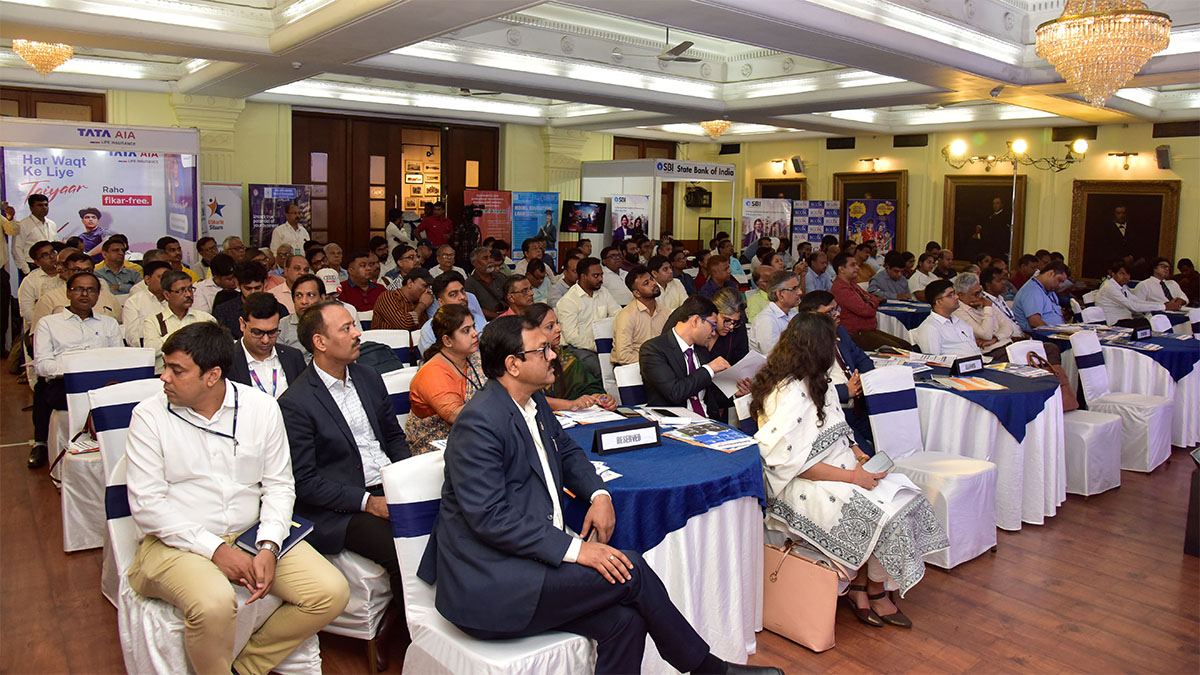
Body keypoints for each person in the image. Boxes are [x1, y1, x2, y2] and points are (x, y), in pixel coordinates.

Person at [416, 315, 774, 675]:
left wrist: (599, 495)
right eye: (542, 350)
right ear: (513, 364)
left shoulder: (532, 402)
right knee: (630, 569)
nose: (553, 355)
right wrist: (577, 550)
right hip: (490, 588)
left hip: (529, 566)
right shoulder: (478, 424)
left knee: (625, 623)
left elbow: (567, 452)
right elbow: (489, 517)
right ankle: (708, 670)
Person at [124, 322, 349, 675]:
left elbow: (279, 485)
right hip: (175, 542)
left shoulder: (261, 409)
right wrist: (215, 550)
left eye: (176, 370)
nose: (164, 378)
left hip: (249, 532)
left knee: (331, 592)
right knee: (214, 604)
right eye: (165, 367)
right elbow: (147, 506)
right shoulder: (149, 416)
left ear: (212, 375)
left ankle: (246, 667)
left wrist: (269, 545)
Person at [750, 311, 947, 629]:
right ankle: (873, 591)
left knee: (906, 498)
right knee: (883, 513)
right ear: (817, 348)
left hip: (842, 465)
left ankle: (866, 587)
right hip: (803, 482)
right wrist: (855, 477)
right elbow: (792, 464)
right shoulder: (786, 394)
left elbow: (840, 429)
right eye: (832, 342)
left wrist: (858, 454)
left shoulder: (818, 380)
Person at [276, 302, 409, 668]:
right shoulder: (296, 402)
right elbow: (306, 483)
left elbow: (393, 438)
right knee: (401, 545)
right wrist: (368, 502)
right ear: (319, 341)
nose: (357, 334)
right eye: (347, 328)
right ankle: (414, 638)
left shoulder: (367, 376)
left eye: (355, 325)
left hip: (387, 482)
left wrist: (408, 479)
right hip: (343, 505)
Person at [28, 271, 122, 468]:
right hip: (64, 383)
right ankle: (42, 444)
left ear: (98, 295)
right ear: (68, 293)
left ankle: (117, 456)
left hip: (102, 383)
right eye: (79, 289)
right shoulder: (49, 323)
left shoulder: (109, 323)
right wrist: (78, 368)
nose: (85, 294)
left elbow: (118, 359)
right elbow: (43, 365)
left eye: (91, 290)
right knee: (46, 392)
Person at [798, 291, 875, 454]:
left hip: (859, 407)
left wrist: (861, 380)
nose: (837, 313)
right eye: (830, 311)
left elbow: (864, 361)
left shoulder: (841, 333)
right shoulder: (804, 347)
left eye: (837, 308)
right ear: (812, 317)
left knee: (888, 440)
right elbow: (806, 391)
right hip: (831, 413)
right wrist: (846, 390)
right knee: (867, 456)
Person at [407, 304, 486, 455]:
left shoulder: (475, 358)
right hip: (436, 447)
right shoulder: (433, 373)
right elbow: (456, 416)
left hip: (475, 433)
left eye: (473, 327)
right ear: (447, 341)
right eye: (466, 331)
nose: (475, 333)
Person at [639, 296, 731, 418]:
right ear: (695, 321)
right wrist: (709, 369)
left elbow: (709, 395)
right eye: (712, 326)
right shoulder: (653, 349)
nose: (713, 332)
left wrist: (734, 393)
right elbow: (675, 392)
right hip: (674, 424)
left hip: (708, 421)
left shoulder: (701, 350)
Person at [524, 303, 617, 411]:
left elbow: (588, 389)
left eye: (557, 323)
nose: (558, 329)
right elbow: (529, 400)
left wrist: (598, 398)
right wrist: (569, 404)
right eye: (550, 326)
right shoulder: (523, 363)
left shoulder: (566, 361)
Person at [226, 292, 307, 398]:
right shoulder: (227, 361)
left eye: (272, 332)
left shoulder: (293, 357)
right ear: (242, 324)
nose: (265, 340)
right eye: (257, 333)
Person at [555, 256, 621, 380]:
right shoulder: (569, 300)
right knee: (602, 371)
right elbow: (572, 337)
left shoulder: (603, 292)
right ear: (583, 276)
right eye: (596, 276)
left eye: (601, 275)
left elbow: (618, 315)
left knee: (623, 365)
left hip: (604, 345)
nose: (601, 279)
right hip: (577, 348)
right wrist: (598, 347)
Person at [831, 253, 910, 352]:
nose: (857, 268)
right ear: (841, 269)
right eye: (853, 265)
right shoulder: (841, 289)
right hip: (855, 334)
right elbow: (866, 311)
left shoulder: (852, 284)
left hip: (868, 330)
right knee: (898, 350)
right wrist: (870, 303)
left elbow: (873, 298)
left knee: (906, 346)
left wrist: (870, 302)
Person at [142, 270, 217, 371]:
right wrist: (183, 337)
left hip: (200, 375)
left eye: (190, 289)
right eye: (181, 290)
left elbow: (216, 349)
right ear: (167, 295)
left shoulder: (206, 319)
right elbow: (151, 350)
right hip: (164, 376)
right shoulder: (153, 321)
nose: (188, 295)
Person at [32, 251, 122, 329]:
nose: (82, 274)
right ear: (66, 272)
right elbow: (36, 336)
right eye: (77, 270)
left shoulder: (109, 298)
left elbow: (121, 327)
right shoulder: (48, 300)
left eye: (87, 270)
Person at [1096, 259, 1183, 324]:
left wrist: (1164, 305)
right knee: (1151, 324)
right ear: (1113, 274)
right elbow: (1133, 306)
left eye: (1128, 274)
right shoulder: (1109, 287)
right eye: (1122, 274)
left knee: (1155, 321)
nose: (1126, 277)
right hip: (1114, 323)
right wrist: (1165, 307)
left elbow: (1138, 301)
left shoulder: (1123, 287)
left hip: (1126, 320)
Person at [611, 265, 666, 366]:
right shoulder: (627, 316)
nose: (653, 283)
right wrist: (654, 359)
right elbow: (623, 356)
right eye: (646, 283)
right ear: (637, 293)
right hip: (631, 367)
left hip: (658, 365)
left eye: (651, 279)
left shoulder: (664, 312)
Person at [911, 279, 981, 356]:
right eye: (950, 295)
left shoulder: (959, 321)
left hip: (980, 362)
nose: (957, 297)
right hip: (956, 366)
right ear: (939, 302)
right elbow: (935, 362)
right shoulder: (930, 328)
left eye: (955, 293)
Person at [952, 272, 1014, 358]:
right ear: (961, 296)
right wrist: (988, 308)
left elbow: (1009, 326)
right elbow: (986, 335)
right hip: (992, 353)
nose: (981, 296)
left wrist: (996, 338)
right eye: (976, 294)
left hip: (1009, 347)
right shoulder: (958, 312)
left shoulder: (983, 301)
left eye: (981, 291)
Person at [749, 271, 801, 355]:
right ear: (780, 294)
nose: (800, 292)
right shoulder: (766, 320)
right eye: (794, 289)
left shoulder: (793, 313)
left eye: (798, 287)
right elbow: (774, 358)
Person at [124, 261, 172, 347]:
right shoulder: (134, 302)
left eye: (168, 277)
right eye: (161, 277)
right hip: (148, 354)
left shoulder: (177, 299)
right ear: (147, 280)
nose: (166, 281)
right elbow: (133, 339)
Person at [1012, 261, 1069, 332]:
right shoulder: (1032, 291)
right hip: (1040, 338)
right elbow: (1035, 322)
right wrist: (1055, 334)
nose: (1060, 285)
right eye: (1059, 280)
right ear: (1051, 273)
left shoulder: (1049, 290)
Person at [17, 240, 61, 325]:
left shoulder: (66, 275)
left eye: (53, 252)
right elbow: (27, 312)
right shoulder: (29, 281)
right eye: (45, 255)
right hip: (40, 327)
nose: (52, 256)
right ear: (37, 262)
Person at [12, 194, 58, 272]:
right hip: (32, 266)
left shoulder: (52, 224)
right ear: (31, 208)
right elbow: (16, 249)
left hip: (51, 266)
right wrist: (26, 269)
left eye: (46, 205)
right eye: (40, 205)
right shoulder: (23, 225)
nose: (44, 208)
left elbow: (56, 245)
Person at [463, 246, 507, 319]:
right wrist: (497, 317)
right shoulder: (470, 283)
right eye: (485, 258)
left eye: (490, 257)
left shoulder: (501, 277)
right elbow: (474, 308)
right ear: (476, 264)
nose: (490, 261)